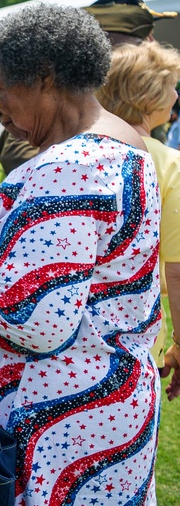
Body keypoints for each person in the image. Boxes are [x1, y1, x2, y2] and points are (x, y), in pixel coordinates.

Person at [0, 3, 162, 505]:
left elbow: (31, 321)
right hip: (100, 410)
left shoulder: (70, 166)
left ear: (44, 78)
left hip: (53, 420)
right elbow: (76, 262)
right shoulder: (124, 142)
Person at [0, 0, 178, 173]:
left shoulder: (141, 93)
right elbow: (17, 154)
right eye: (143, 42)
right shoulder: (67, 87)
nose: (151, 47)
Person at [95, 41, 180, 402]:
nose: (176, 94)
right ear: (149, 95)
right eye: (172, 85)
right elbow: (176, 270)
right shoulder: (171, 166)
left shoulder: (75, 153)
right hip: (136, 332)